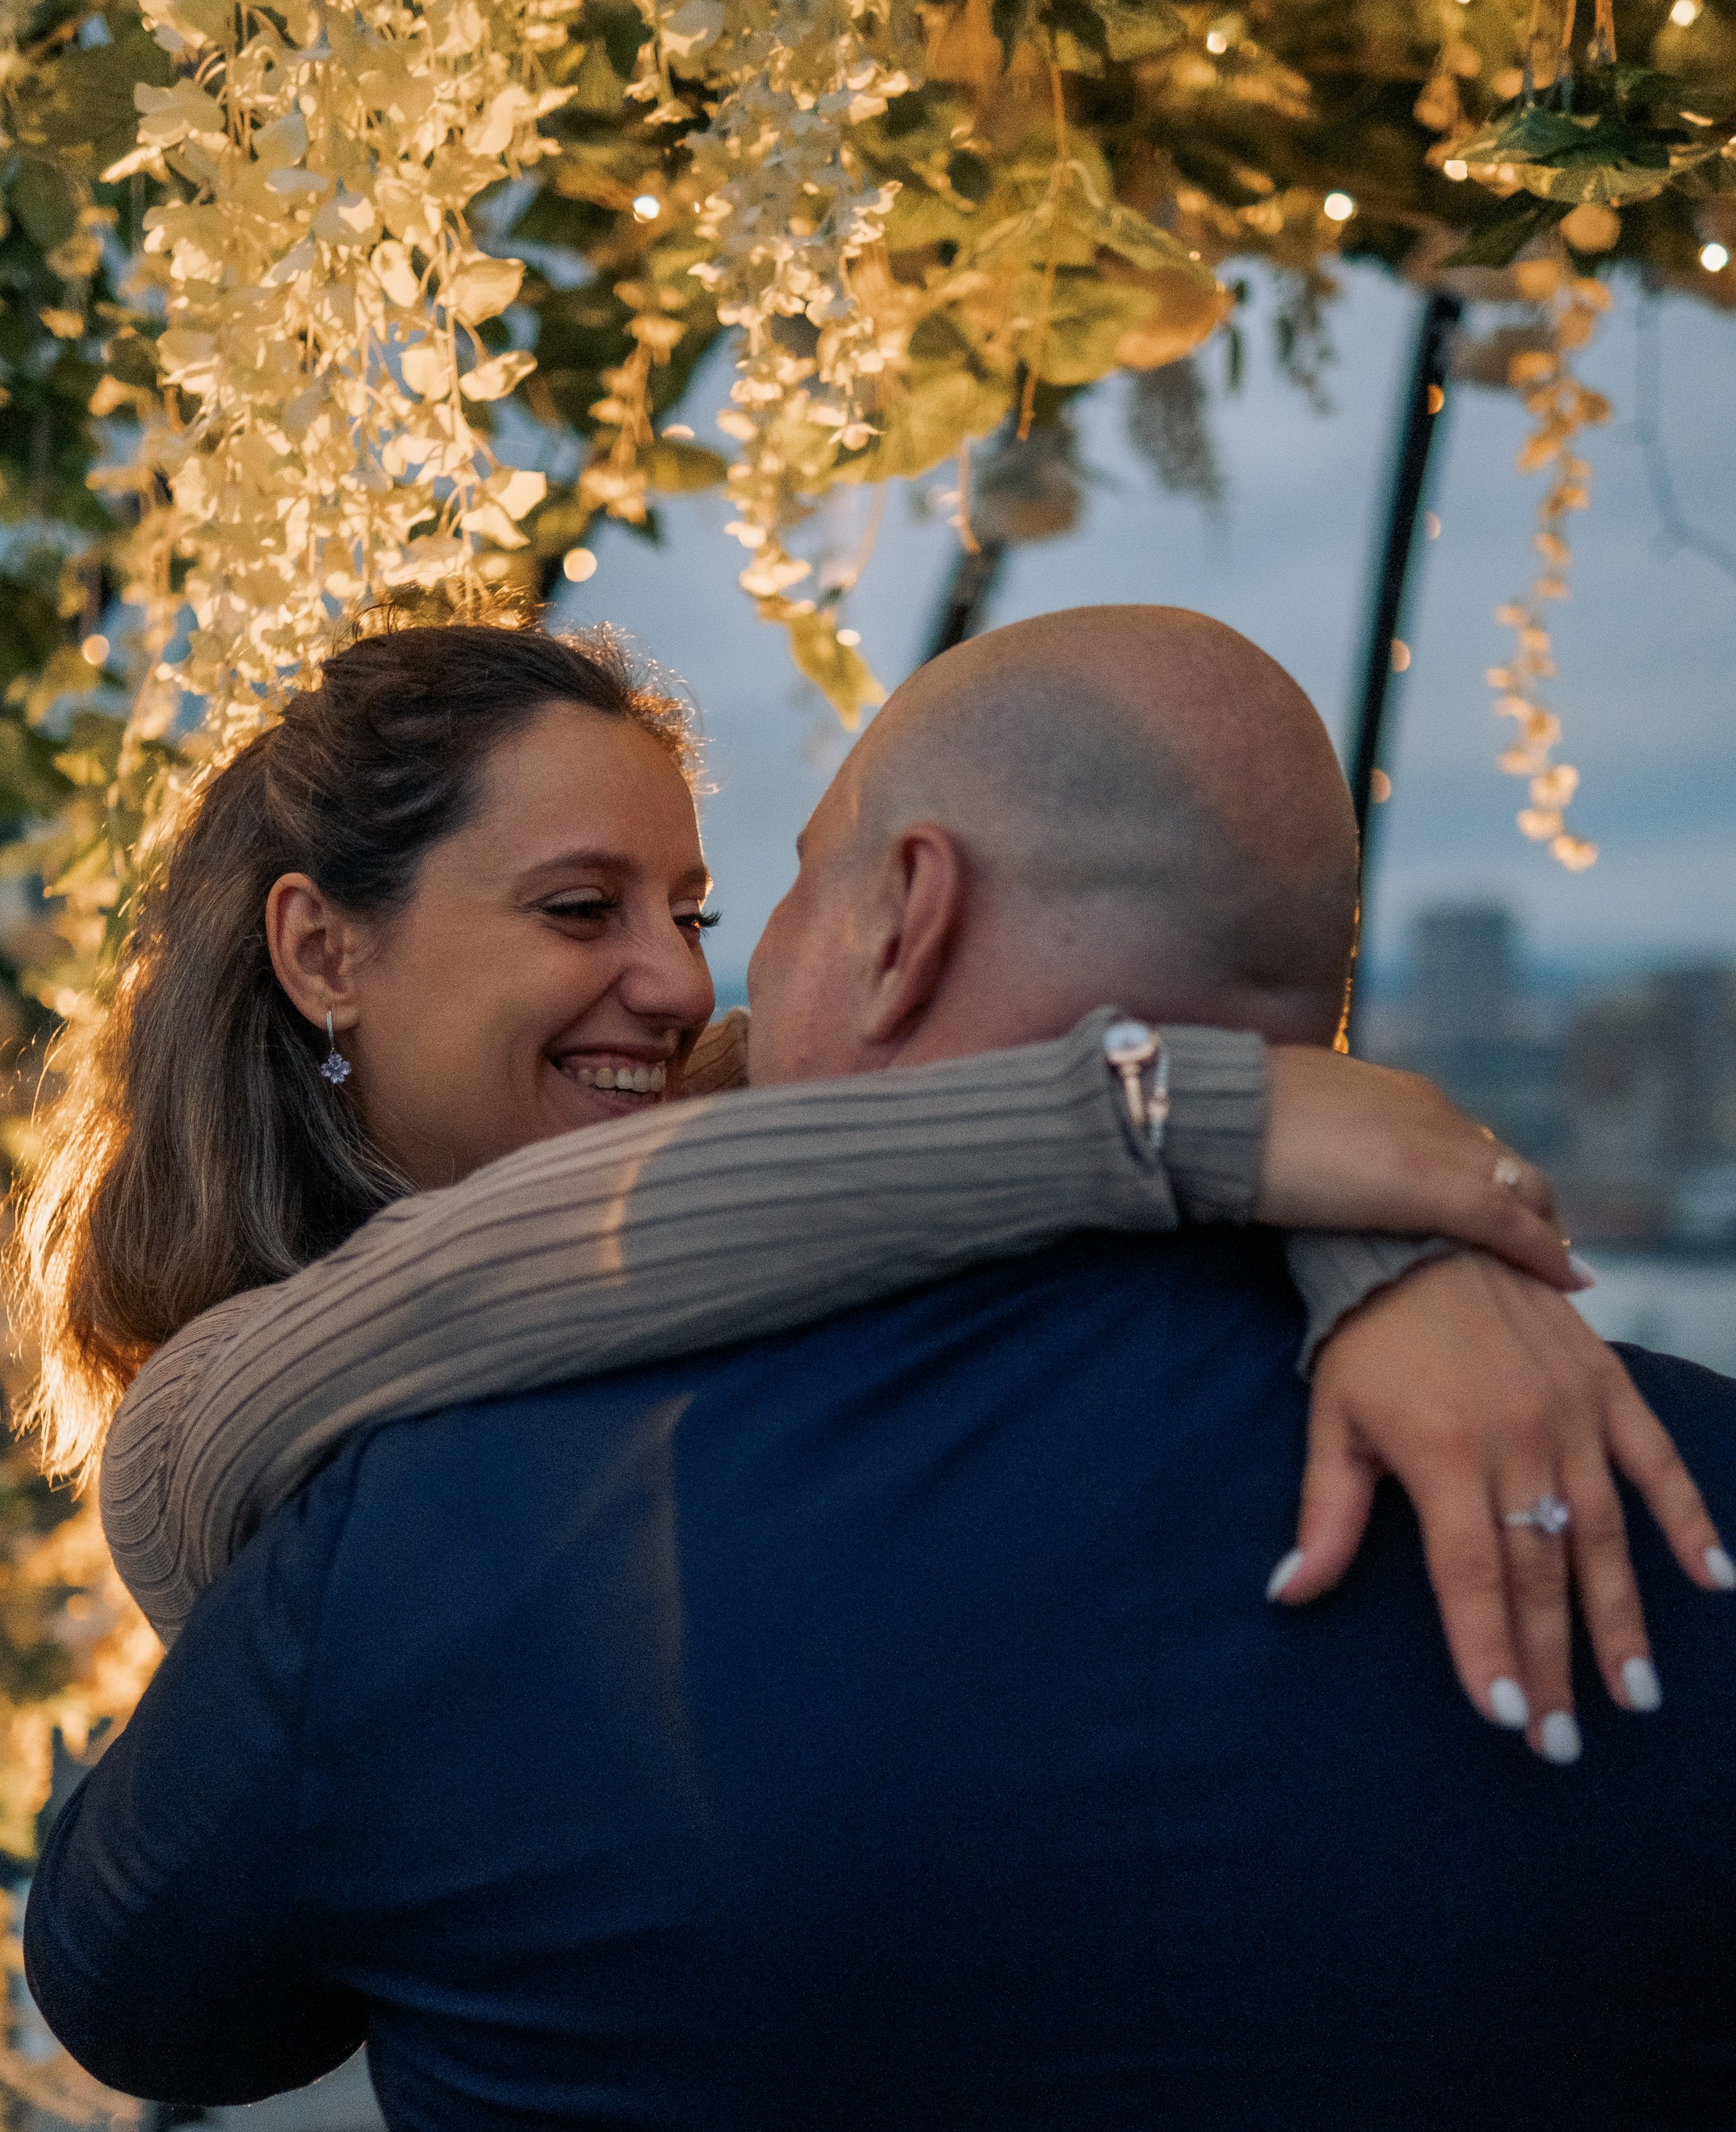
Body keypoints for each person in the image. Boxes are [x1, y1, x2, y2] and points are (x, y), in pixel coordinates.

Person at [26, 607, 1736, 2132]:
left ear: (906, 916)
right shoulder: (1666, 1482)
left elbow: (143, 1994)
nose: (696, 982)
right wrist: (1324, 1190)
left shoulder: (429, 1529)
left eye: (746, 898)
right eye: (590, 909)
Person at [16, 612, 1712, 1740]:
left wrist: (1392, 1252)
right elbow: (285, 1385)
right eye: (579, 909)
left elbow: (1015, 1069)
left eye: (691, 909)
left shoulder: (739, 1138)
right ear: (323, 952)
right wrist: (1195, 1121)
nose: (681, 979)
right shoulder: (233, 1416)